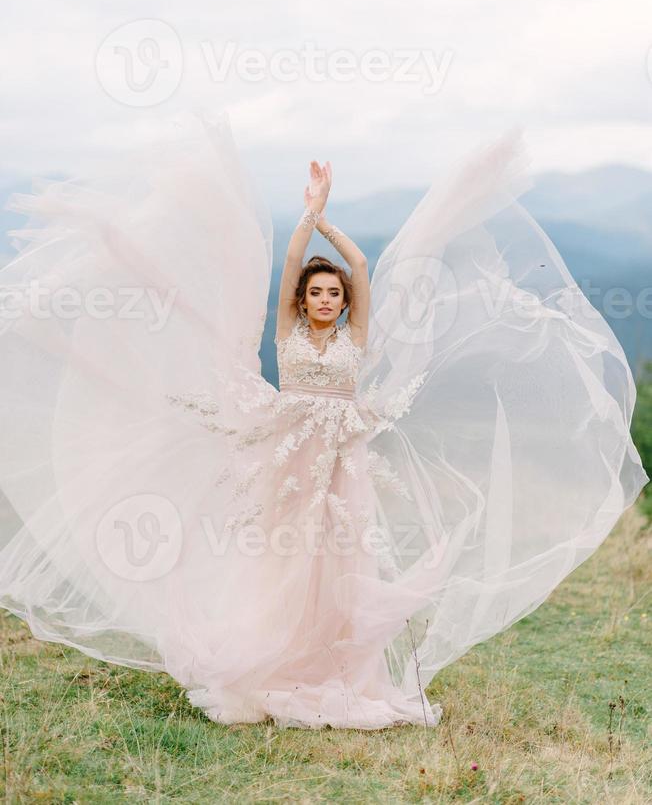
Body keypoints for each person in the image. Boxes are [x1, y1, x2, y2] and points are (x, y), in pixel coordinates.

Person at [0, 109, 648, 730]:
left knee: (338, 559)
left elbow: (363, 268)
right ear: (302, 300)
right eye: (316, 292)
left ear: (341, 304)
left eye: (332, 294)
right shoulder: (286, 334)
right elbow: (288, 265)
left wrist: (331, 228)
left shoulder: (354, 336)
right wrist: (305, 220)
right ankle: (278, 660)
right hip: (291, 461)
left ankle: (332, 666)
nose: (324, 298)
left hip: (341, 460)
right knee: (286, 560)